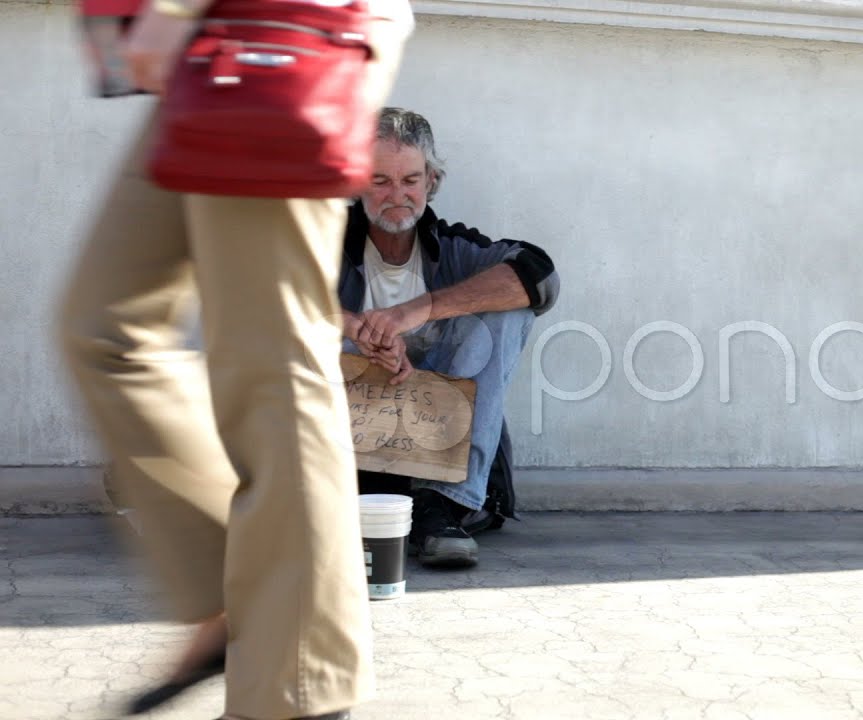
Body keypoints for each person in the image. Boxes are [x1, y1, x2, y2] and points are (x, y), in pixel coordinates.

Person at [58, 1, 413, 718]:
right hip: (207, 52)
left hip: (277, 37)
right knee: (105, 329)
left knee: (274, 366)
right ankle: (247, 603)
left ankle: (300, 685)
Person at [342, 107, 559, 570]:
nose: (396, 195)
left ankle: (442, 504)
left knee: (506, 312)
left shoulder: (458, 249)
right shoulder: (322, 241)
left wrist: (414, 312)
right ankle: (343, 496)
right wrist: (354, 327)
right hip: (346, 451)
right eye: (379, 180)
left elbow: (539, 276)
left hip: (438, 444)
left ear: (431, 182)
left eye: (410, 180)